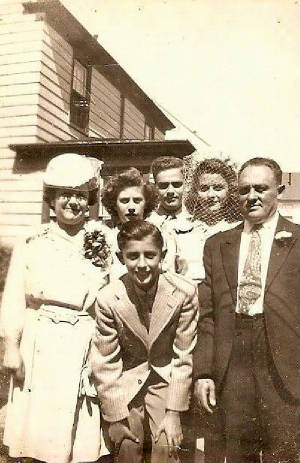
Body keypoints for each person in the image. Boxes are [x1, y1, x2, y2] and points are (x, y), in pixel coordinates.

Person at [0, 153, 111, 463]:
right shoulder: (32, 241)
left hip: (84, 342)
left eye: (80, 195)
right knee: (37, 436)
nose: (73, 202)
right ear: (51, 198)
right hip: (40, 340)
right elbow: (13, 299)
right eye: (65, 194)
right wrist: (11, 346)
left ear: (89, 199)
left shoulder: (101, 240)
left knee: (79, 435)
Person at [194, 157, 300, 463]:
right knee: (240, 453)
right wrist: (203, 373)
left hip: (284, 361)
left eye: (261, 188)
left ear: (278, 190)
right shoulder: (218, 244)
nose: (251, 196)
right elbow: (208, 315)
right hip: (234, 360)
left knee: (285, 452)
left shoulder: (297, 239)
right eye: (244, 190)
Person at [90, 220, 198, 463]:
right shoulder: (108, 298)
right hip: (126, 382)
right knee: (127, 445)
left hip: (166, 379)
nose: (142, 265)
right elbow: (105, 363)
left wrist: (173, 413)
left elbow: (183, 356)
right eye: (133, 256)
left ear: (163, 255)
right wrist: (115, 419)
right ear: (121, 258)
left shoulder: (184, 293)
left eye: (150, 255)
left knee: (166, 445)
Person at [150, 156, 241, 283]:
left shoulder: (236, 227)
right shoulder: (174, 225)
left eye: (218, 188)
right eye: (204, 189)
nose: (211, 195)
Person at [101, 167, 183, 279]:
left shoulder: (163, 235)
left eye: (137, 200)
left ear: (146, 203)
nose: (131, 207)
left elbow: (171, 276)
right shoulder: (106, 238)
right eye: (124, 201)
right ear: (115, 205)